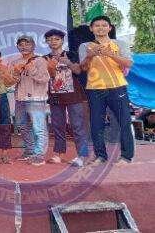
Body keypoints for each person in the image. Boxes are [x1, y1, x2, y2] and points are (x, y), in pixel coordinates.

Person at [79, 15, 134, 165]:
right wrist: (90, 56)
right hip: (95, 88)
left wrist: (110, 54)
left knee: (124, 121)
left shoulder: (119, 43)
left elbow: (129, 63)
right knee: (96, 123)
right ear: (91, 29)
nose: (100, 28)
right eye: (97, 25)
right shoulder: (85, 46)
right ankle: (100, 156)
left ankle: (126, 156)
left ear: (110, 28)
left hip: (117, 86)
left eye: (104, 25)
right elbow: (83, 68)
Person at [44, 29, 89, 167]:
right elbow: (44, 77)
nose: (53, 42)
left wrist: (68, 62)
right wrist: (50, 68)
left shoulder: (72, 54)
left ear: (62, 41)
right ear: (46, 42)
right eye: (50, 39)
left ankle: (82, 156)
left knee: (77, 126)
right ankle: (58, 154)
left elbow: (78, 70)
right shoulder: (44, 58)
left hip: (73, 95)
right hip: (55, 95)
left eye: (56, 39)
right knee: (57, 126)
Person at [11, 35, 51, 166]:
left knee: (38, 127)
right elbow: (9, 82)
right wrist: (15, 73)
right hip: (20, 98)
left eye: (27, 44)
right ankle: (30, 151)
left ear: (33, 46)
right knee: (22, 126)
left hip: (36, 98)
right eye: (21, 44)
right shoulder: (15, 62)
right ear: (17, 47)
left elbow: (44, 79)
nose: (24, 47)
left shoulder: (40, 60)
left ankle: (39, 154)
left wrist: (31, 70)